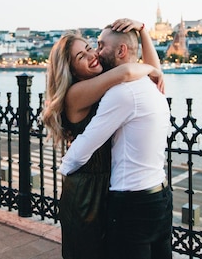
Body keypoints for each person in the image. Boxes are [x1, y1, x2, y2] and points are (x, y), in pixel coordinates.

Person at [43, 19, 163, 259]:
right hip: (87, 191)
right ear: (71, 70)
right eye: (81, 56)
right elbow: (131, 70)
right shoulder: (76, 94)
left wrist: (142, 31)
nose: (92, 55)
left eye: (90, 47)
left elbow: (146, 76)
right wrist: (152, 70)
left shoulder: (103, 83)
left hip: (107, 185)